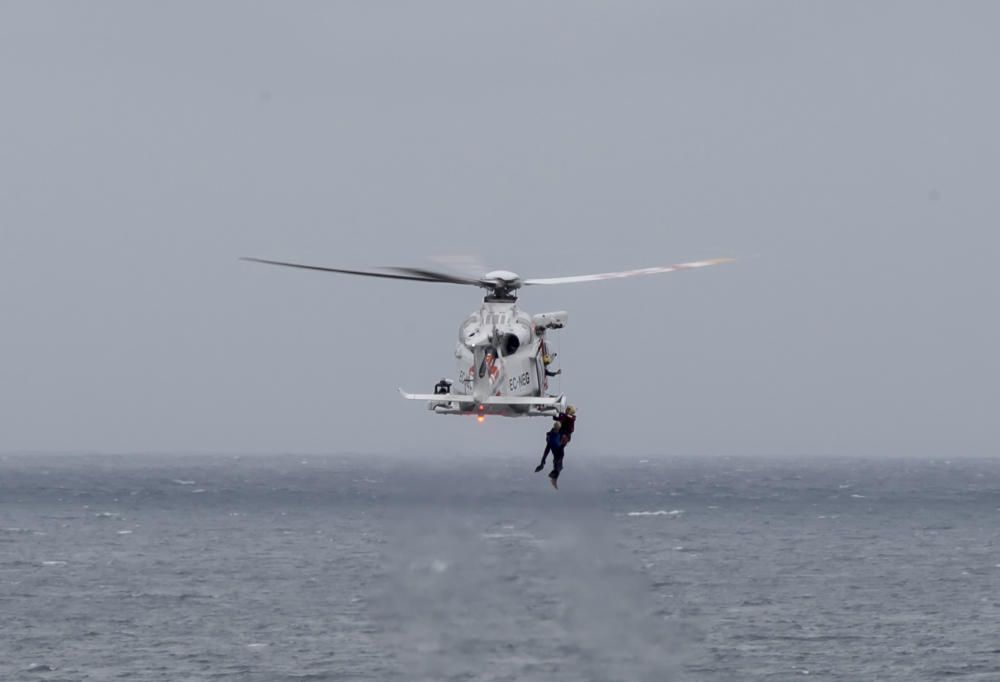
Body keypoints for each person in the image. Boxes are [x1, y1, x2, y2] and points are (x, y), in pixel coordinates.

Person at [534, 422, 566, 488]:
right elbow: (548, 449)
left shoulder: (554, 434)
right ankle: (553, 479)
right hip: (557, 449)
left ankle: (553, 478)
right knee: (558, 464)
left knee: (558, 465)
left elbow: (547, 450)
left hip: (555, 448)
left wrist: (542, 463)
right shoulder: (554, 435)